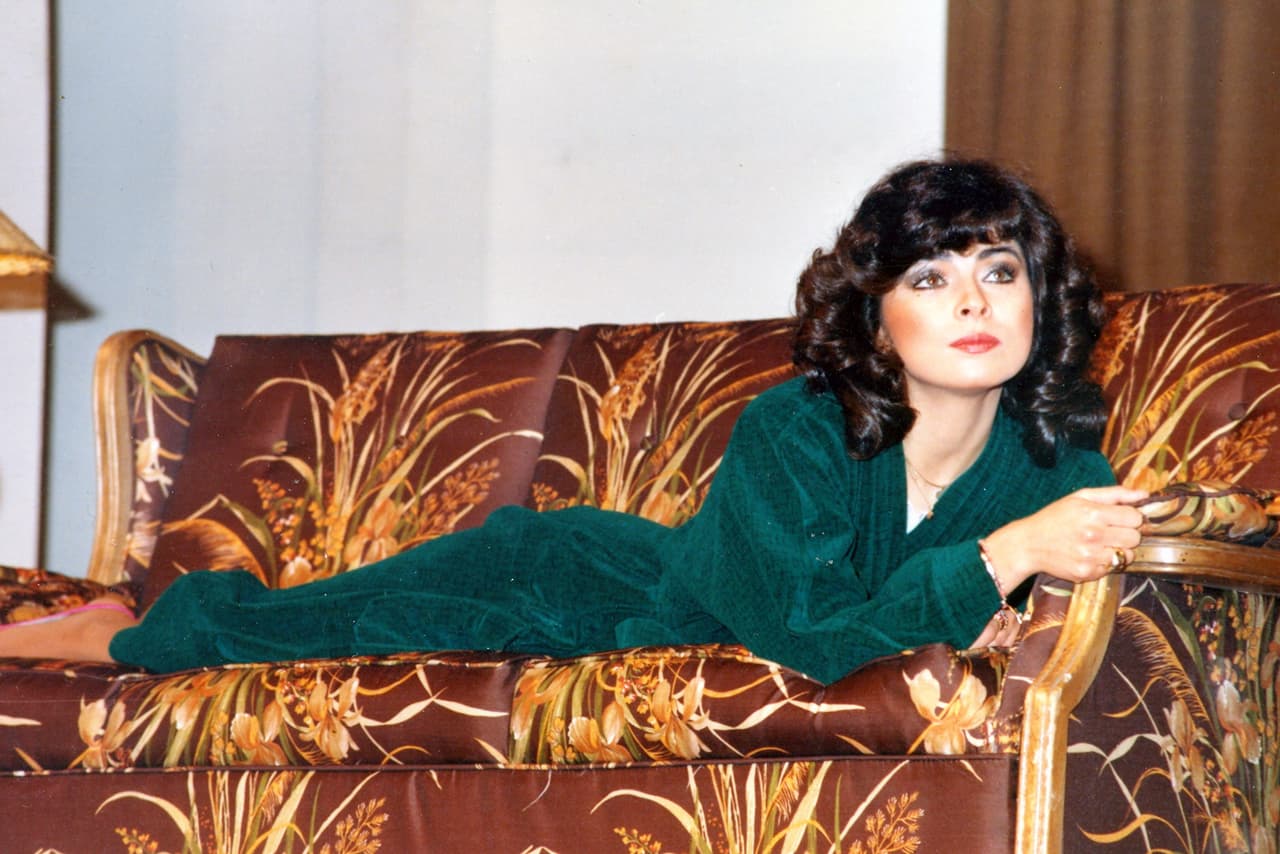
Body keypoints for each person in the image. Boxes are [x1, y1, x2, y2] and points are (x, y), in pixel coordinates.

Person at [0, 158, 1147, 684]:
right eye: (930, 278)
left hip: (627, 602)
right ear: (874, 315)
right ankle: (87, 630)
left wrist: (1008, 596)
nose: (971, 302)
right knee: (274, 631)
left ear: (1036, 296)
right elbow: (809, 633)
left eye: (998, 271)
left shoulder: (1058, 463)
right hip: (565, 584)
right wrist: (1000, 559)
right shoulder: (795, 427)